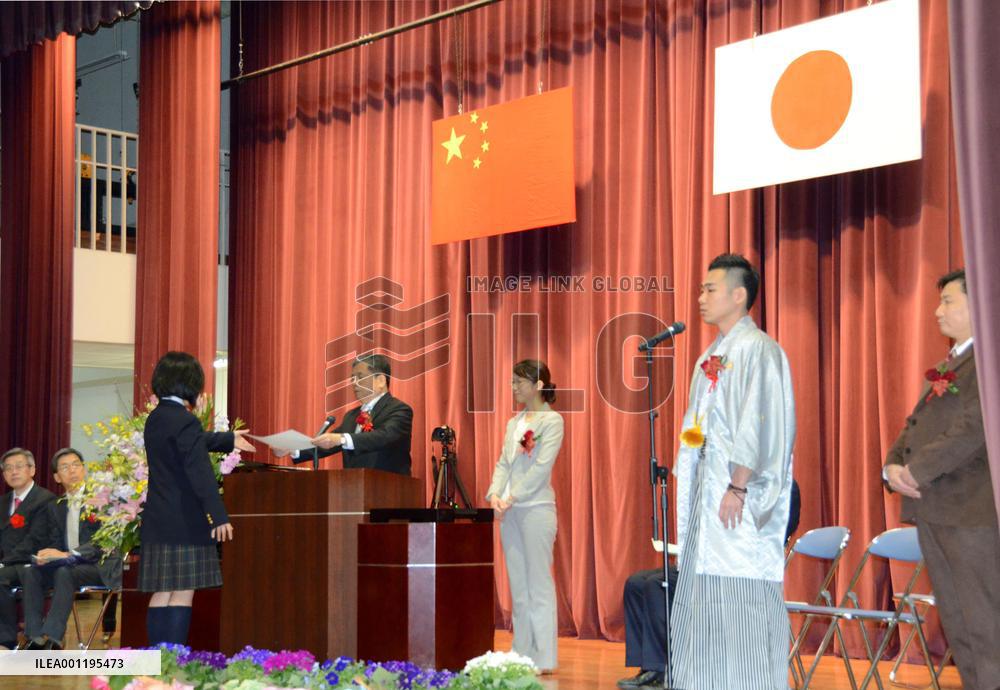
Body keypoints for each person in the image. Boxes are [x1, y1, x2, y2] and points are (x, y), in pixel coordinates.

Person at [669, 253, 796, 690]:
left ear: (739, 295)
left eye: (710, 289)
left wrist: (738, 487)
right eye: (702, 289)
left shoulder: (758, 350)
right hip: (709, 496)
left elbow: (759, 424)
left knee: (739, 598)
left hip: (736, 499)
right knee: (705, 598)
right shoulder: (713, 354)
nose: (700, 297)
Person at [884, 269, 1000, 690]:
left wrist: (915, 471)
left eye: (948, 301)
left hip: (971, 513)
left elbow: (972, 430)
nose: (937, 311)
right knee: (959, 625)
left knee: (986, 626)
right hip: (934, 510)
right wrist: (892, 465)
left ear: (980, 305)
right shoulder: (949, 364)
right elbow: (915, 426)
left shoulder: (989, 361)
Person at [617, 481, 800, 689]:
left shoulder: (783, 485)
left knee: (658, 585)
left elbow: (782, 528)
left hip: (739, 570)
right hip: (711, 561)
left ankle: (663, 670)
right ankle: (647, 666)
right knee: (636, 584)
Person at [140, 351, 255, 645]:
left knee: (163, 592)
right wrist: (218, 515)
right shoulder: (185, 421)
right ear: (191, 383)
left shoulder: (157, 418)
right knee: (183, 591)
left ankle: (156, 664)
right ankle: (175, 661)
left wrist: (228, 438)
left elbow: (190, 442)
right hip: (184, 522)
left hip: (158, 520)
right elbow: (200, 472)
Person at [486, 359, 565, 673]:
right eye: (513, 381)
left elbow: (540, 468)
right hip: (509, 511)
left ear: (539, 385)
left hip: (536, 510)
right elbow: (504, 463)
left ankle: (544, 657)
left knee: (538, 583)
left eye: (519, 382)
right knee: (518, 583)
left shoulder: (552, 421)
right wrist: (495, 494)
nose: (514, 387)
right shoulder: (513, 423)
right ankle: (522, 652)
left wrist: (512, 496)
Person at [20, 448, 123, 650]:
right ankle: (34, 636)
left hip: (100, 566)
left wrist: (68, 555)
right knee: (31, 571)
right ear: (57, 477)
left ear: (84, 470)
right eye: (65, 467)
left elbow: (105, 542)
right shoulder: (56, 506)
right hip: (68, 566)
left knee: (64, 572)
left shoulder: (101, 499)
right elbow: (55, 543)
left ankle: (53, 637)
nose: (72, 471)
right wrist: (47, 555)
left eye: (76, 465)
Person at [279, 354, 413, 476]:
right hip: (353, 491)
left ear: (381, 380)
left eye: (360, 377)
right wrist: (293, 449)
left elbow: (383, 436)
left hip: (390, 493)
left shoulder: (399, 410)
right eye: (353, 378)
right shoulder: (351, 416)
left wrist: (341, 439)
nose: (354, 383)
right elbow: (328, 444)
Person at [0, 448, 56, 650]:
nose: (13, 472)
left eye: (19, 467)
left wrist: (3, 562)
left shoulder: (45, 499)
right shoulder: (3, 501)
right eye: (8, 468)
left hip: (33, 562)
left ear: (32, 470)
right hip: (9, 564)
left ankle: (6, 640)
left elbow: (36, 540)